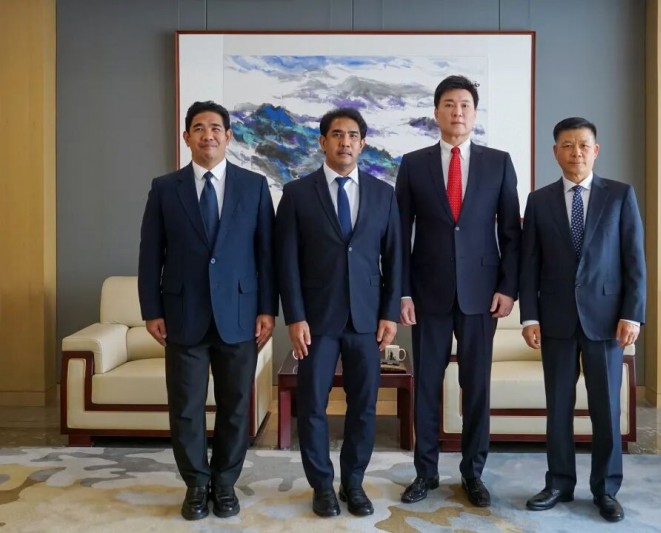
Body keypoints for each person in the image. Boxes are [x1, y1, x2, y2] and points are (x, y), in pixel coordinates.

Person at [138, 100, 277, 521]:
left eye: (216, 128)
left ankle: (225, 483)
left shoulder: (254, 186)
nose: (208, 135)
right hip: (183, 315)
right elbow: (151, 253)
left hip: (240, 314)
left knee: (236, 406)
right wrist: (151, 309)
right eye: (199, 128)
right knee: (185, 408)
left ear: (228, 136)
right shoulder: (166, 188)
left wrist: (267, 309)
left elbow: (266, 255)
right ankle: (197, 485)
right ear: (187, 137)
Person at [396, 75, 521, 508]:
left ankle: (473, 473)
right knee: (427, 386)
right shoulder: (413, 164)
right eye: (449, 104)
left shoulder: (498, 163)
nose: (457, 111)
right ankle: (425, 472)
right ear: (436, 112)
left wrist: (508, 288)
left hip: (482, 296)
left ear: (474, 112)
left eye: (465, 104)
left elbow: (511, 232)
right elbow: (399, 235)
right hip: (427, 294)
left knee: (476, 387)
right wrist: (403, 292)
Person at [275, 108, 401, 518]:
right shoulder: (297, 193)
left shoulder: (383, 194)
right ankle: (322, 487)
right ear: (322, 142)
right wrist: (294, 316)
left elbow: (394, 258)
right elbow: (286, 261)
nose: (345, 142)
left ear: (362, 143)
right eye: (336, 134)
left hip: (367, 319)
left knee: (364, 405)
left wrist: (389, 313)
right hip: (315, 320)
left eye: (352, 135)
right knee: (312, 405)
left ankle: (353, 483)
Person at [519, 117, 645, 523]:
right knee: (558, 407)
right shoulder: (539, 201)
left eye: (583, 145)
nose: (576, 152)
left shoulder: (620, 196)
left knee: (606, 409)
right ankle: (559, 482)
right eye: (568, 145)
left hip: (606, 321)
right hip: (555, 319)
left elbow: (634, 261)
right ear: (555, 151)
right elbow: (529, 264)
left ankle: (605, 489)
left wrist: (632, 314)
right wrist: (529, 317)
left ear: (596, 150)